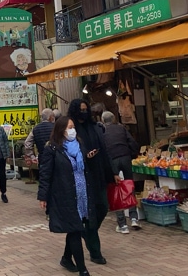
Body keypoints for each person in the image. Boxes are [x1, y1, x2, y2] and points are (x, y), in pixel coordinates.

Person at [37, 115, 94, 276]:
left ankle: (66, 258)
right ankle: (83, 269)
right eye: (69, 127)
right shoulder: (52, 149)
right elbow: (45, 173)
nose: (72, 130)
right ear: (61, 130)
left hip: (82, 193)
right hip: (65, 194)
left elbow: (83, 168)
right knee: (75, 229)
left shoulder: (79, 145)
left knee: (74, 228)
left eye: (73, 126)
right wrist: (43, 196)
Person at [68, 98, 116, 265]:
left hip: (99, 174)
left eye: (85, 109)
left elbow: (105, 151)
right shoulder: (72, 129)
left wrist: (112, 173)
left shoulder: (95, 127)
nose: (83, 112)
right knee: (90, 215)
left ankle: (87, 233)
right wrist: (85, 156)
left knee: (103, 207)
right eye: (80, 109)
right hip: (82, 177)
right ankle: (95, 251)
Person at [101, 111, 141, 233]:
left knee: (116, 189)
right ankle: (134, 218)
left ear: (103, 121)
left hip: (112, 160)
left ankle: (122, 224)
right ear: (113, 119)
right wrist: (132, 155)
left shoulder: (102, 131)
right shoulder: (121, 128)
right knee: (129, 186)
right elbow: (133, 143)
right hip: (125, 157)